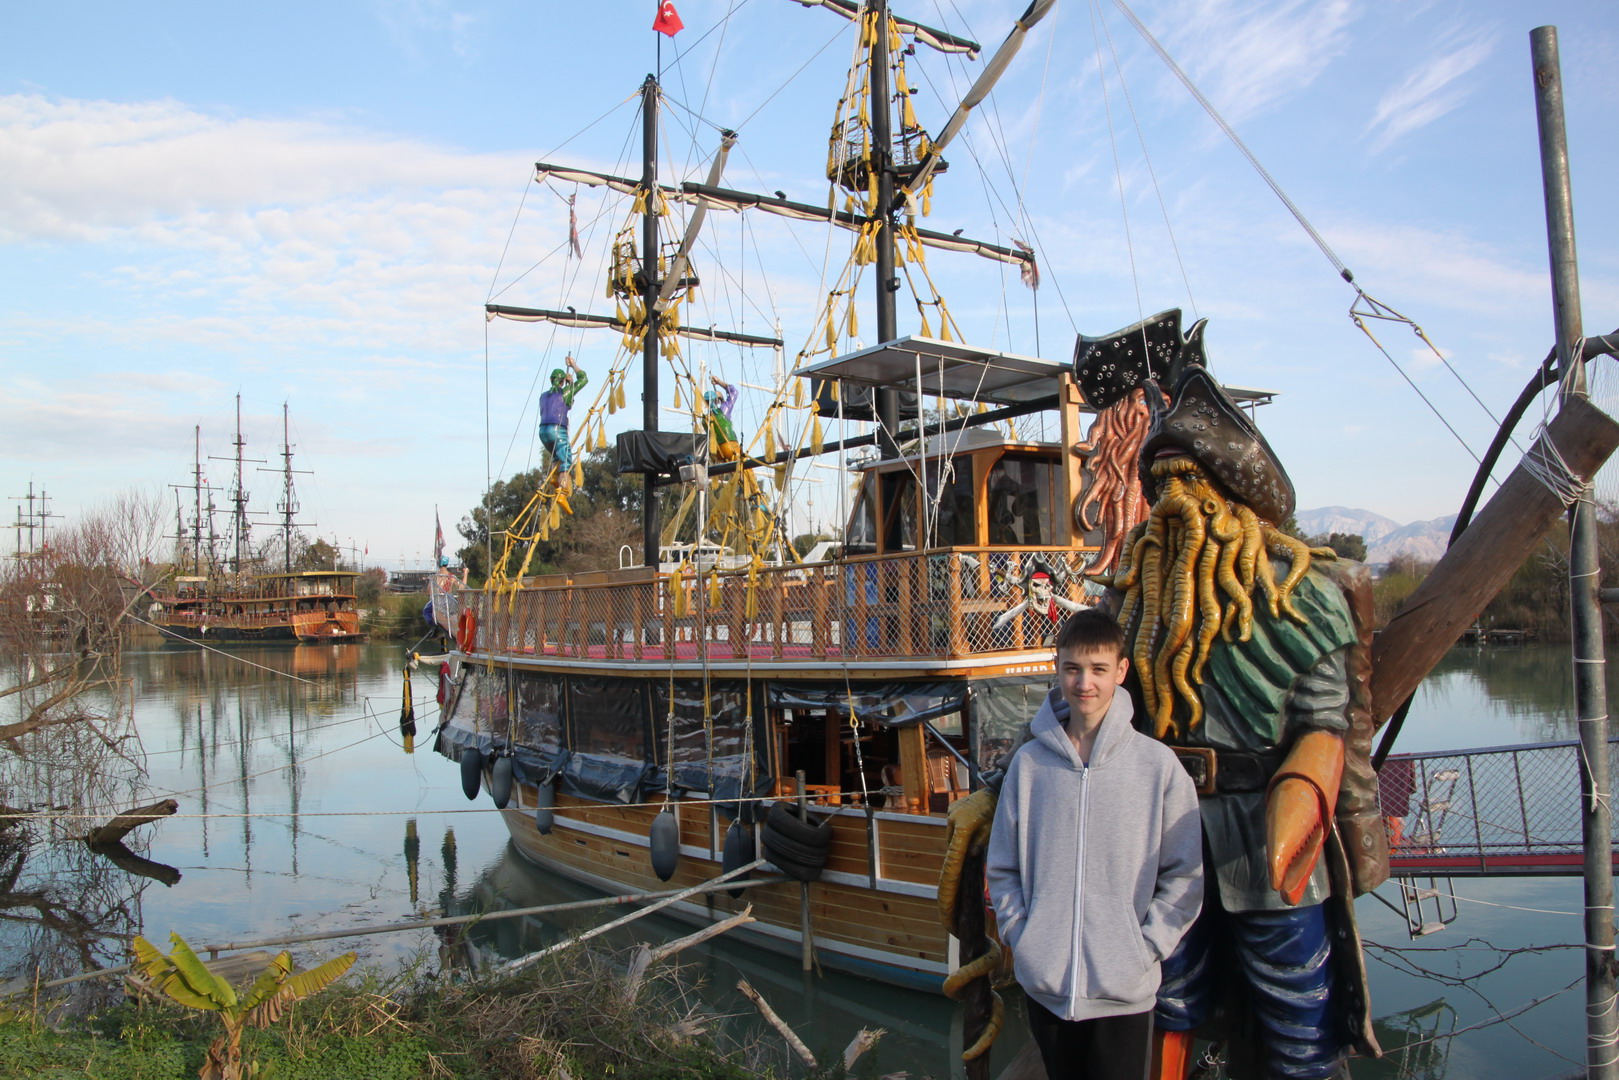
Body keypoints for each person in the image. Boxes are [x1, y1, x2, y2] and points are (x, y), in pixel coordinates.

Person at [987, 608, 1203, 1080]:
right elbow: (1003, 866)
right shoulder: (1029, 766)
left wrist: (1145, 949)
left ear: (1120, 672)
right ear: (1058, 668)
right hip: (1047, 986)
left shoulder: (1157, 767)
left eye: (1098, 669)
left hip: (1124, 990)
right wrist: (1024, 938)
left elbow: (1184, 876)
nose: (1085, 683)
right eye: (1073, 668)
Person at [538, 355, 587, 484]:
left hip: (543, 432)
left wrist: (569, 384)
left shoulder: (543, 396)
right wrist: (573, 366)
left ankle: (554, 482)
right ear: (563, 380)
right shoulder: (565, 393)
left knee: (556, 457)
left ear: (551, 379)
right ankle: (563, 487)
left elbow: (559, 405)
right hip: (557, 430)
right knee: (565, 459)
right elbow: (584, 379)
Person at [704, 376, 740, 461]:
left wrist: (722, 400)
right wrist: (719, 382)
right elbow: (734, 392)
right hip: (731, 446)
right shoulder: (724, 411)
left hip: (718, 452)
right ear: (717, 400)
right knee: (743, 466)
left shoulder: (705, 419)